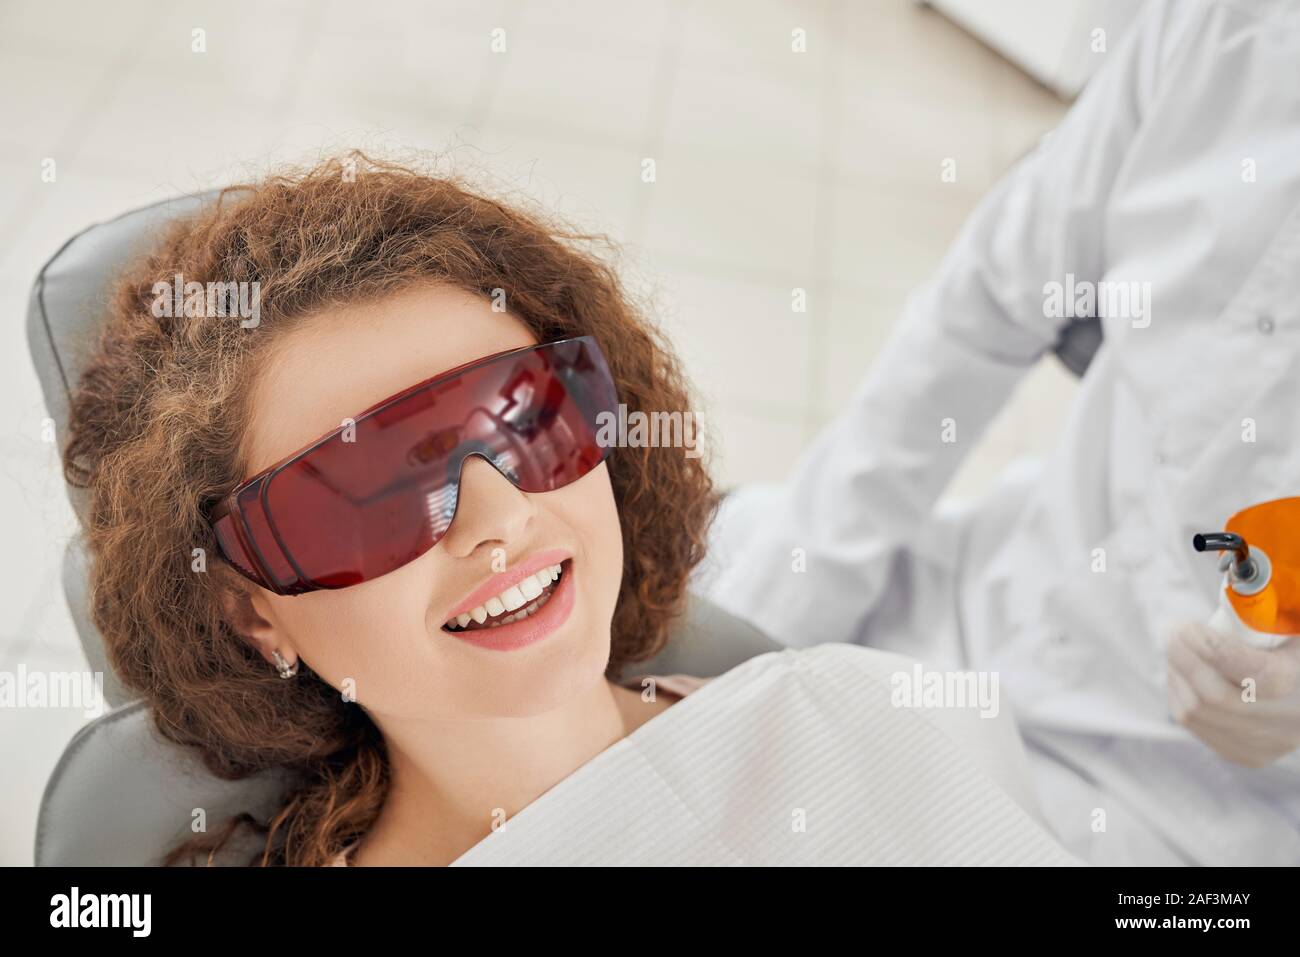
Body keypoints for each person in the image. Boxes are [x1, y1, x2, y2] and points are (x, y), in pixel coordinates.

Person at [62, 155, 1077, 866]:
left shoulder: (861, 718)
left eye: (521, 420)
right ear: (251, 610)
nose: (498, 518)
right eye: (370, 491)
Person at [693, 0, 1300, 866]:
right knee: (679, 582)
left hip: (1194, 813)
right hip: (992, 589)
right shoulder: (1228, 25)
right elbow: (985, 306)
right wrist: (775, 619)